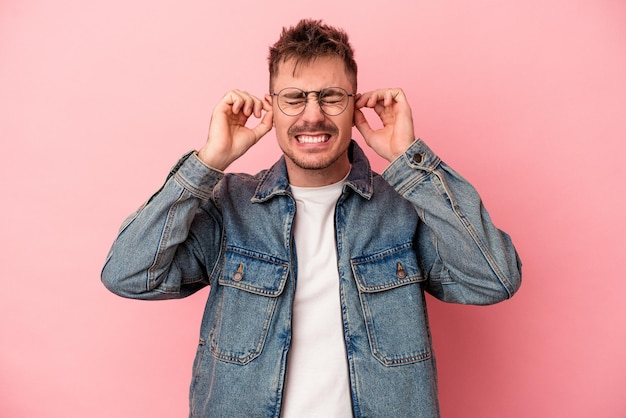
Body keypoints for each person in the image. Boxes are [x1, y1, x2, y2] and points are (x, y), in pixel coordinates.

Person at [101, 19, 522, 418]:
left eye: (331, 96)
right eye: (294, 97)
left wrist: (409, 160)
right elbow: (127, 274)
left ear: (355, 104)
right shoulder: (229, 204)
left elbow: (493, 279)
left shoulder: (403, 208)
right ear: (273, 108)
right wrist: (208, 162)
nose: (313, 114)